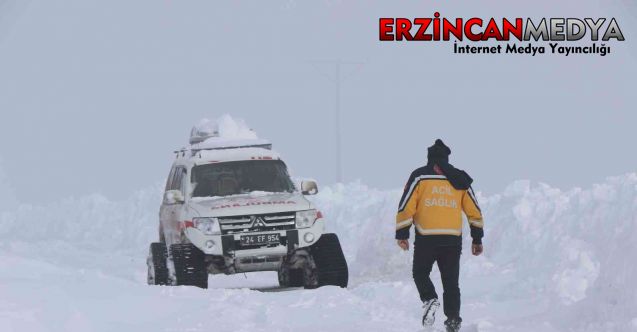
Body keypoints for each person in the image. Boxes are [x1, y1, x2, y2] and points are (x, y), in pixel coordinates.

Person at [395, 139, 484, 332]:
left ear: (429, 158)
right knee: (451, 282)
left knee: (420, 273)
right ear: (447, 158)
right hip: (452, 239)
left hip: (426, 237)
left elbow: (406, 205)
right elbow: (474, 211)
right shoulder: (460, 179)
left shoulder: (419, 176)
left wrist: (402, 233)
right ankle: (453, 320)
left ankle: (429, 299)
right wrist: (477, 238)